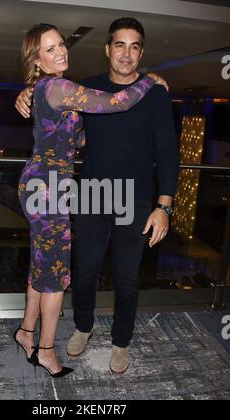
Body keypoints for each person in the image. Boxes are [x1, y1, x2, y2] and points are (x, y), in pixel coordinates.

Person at [14, 22, 169, 378]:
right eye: (49, 49)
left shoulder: (49, 87)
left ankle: (26, 332)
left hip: (43, 183)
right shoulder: (58, 86)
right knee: (55, 274)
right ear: (37, 59)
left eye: (60, 45)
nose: (60, 52)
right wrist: (151, 79)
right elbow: (117, 101)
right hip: (48, 189)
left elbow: (77, 139)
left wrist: (27, 93)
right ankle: (47, 352)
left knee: (41, 264)